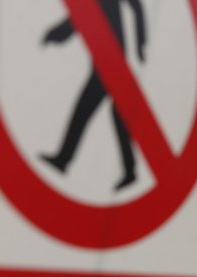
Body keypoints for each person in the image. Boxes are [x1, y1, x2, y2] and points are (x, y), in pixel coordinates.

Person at [40, 0, 146, 191]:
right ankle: (129, 170)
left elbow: (136, 7)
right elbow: (81, 18)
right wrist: (56, 34)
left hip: (111, 63)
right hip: (106, 62)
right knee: (117, 116)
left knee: (84, 110)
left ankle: (64, 159)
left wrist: (141, 43)